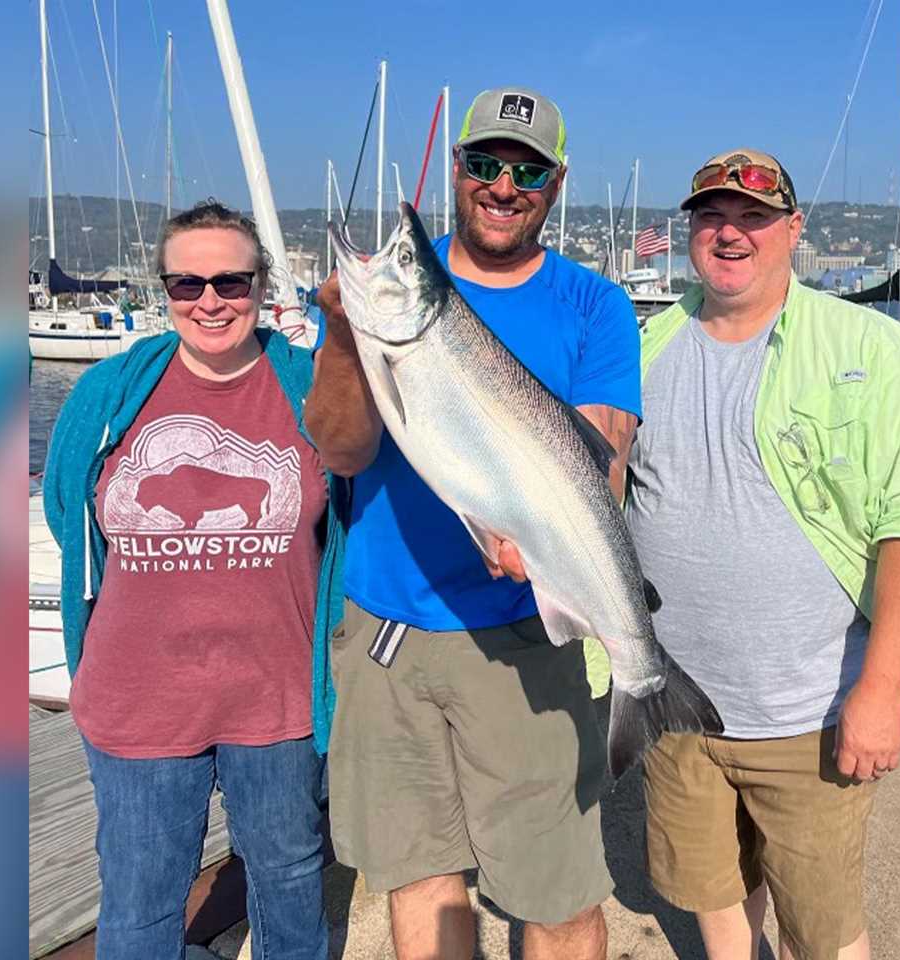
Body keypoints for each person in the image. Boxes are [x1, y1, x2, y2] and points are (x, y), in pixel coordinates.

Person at [305, 87, 640, 960]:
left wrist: (545, 541)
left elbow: (600, 450)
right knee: (421, 880)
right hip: (390, 639)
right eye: (485, 162)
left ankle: (648, 679)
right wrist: (346, 335)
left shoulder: (595, 306)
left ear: (555, 183)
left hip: (525, 632)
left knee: (557, 893)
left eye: (526, 168)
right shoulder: (378, 305)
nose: (503, 183)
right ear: (458, 170)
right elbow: (340, 451)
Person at [625, 149, 900, 960]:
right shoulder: (645, 346)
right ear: (691, 231)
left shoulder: (870, 348)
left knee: (825, 928)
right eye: (712, 216)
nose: (730, 234)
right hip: (674, 704)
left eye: (754, 216)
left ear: (792, 229)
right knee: (714, 894)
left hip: (807, 711)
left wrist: (881, 692)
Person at [43, 201, 345, 960]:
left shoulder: (311, 387)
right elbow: (65, 509)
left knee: (289, 879)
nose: (210, 301)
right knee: (141, 896)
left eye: (231, 282)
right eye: (187, 284)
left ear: (260, 285)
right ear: (166, 291)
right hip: (137, 696)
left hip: (277, 698)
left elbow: (349, 517)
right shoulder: (108, 393)